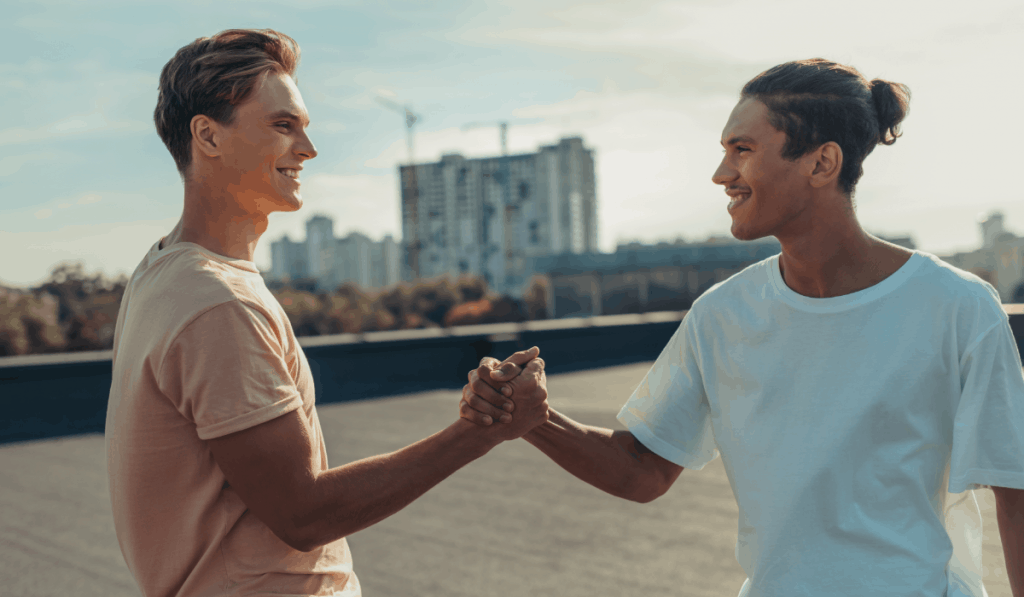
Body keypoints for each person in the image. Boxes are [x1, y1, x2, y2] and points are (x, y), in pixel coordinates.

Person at [462, 59, 1024, 597]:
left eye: (743, 149)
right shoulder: (721, 315)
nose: (721, 173)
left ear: (821, 164)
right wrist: (533, 419)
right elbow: (643, 471)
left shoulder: (958, 306)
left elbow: (1017, 492)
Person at [104, 28, 549, 597]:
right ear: (207, 136)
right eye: (283, 126)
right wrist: (482, 431)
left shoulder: (159, 272)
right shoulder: (217, 303)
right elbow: (304, 514)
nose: (308, 150)